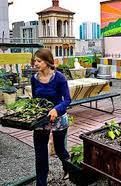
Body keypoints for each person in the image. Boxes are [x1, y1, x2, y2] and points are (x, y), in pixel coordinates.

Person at [31, 48, 71, 186]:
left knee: (60, 149)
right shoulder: (34, 79)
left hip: (58, 117)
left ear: (48, 62)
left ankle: (68, 167)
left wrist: (56, 109)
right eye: (34, 60)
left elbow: (67, 100)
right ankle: (41, 182)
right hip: (41, 120)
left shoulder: (59, 77)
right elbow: (35, 99)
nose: (35, 63)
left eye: (39, 61)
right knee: (40, 153)